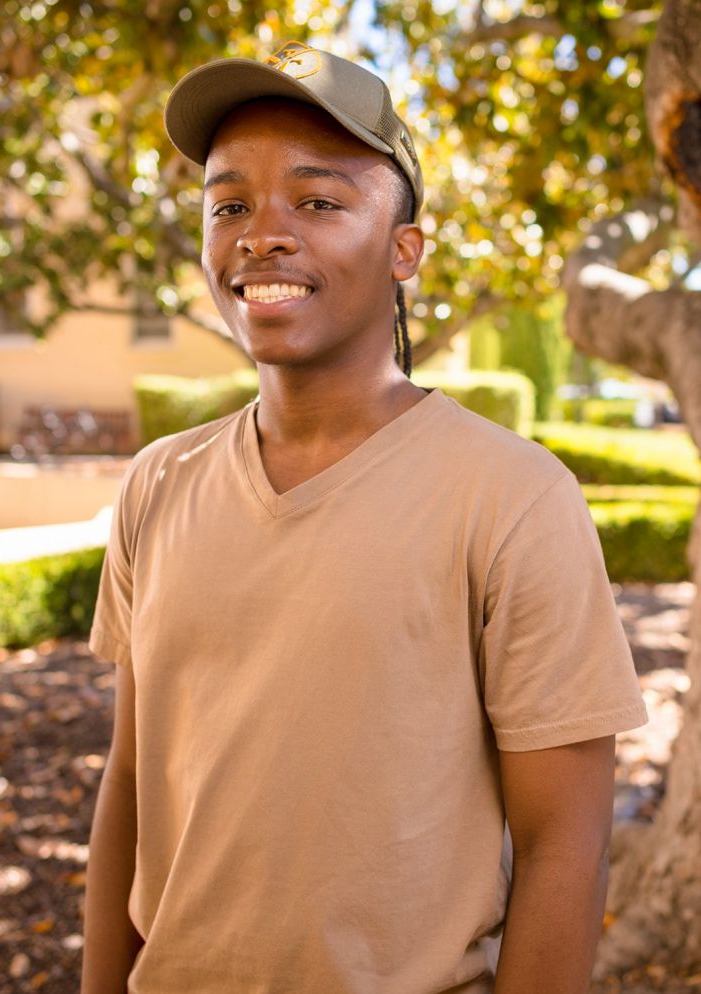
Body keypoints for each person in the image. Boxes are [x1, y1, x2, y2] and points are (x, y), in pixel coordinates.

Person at [81, 41, 648, 994]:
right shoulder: (156, 483)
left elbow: (564, 843)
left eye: (317, 200)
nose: (261, 233)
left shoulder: (511, 495)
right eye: (229, 205)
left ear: (403, 248)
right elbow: (131, 785)